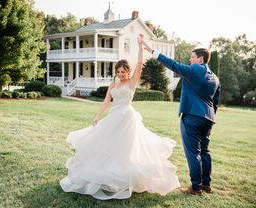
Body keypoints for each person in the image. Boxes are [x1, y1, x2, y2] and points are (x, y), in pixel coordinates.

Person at [60, 34, 180, 200]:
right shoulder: (113, 84)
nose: (121, 74)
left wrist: (140, 46)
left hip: (128, 118)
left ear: (128, 71)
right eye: (118, 72)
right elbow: (105, 102)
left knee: (126, 149)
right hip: (113, 117)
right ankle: (108, 176)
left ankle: (125, 178)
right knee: (108, 146)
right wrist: (96, 117)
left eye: (123, 71)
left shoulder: (132, 82)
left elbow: (139, 63)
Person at [141, 39, 220, 196]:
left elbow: (174, 65)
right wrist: (210, 117)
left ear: (200, 59)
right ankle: (206, 185)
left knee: (193, 153)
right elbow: (215, 101)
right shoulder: (215, 78)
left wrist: (152, 51)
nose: (190, 60)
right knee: (205, 151)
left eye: (192, 57)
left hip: (192, 117)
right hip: (208, 118)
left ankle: (196, 188)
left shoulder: (196, 70)